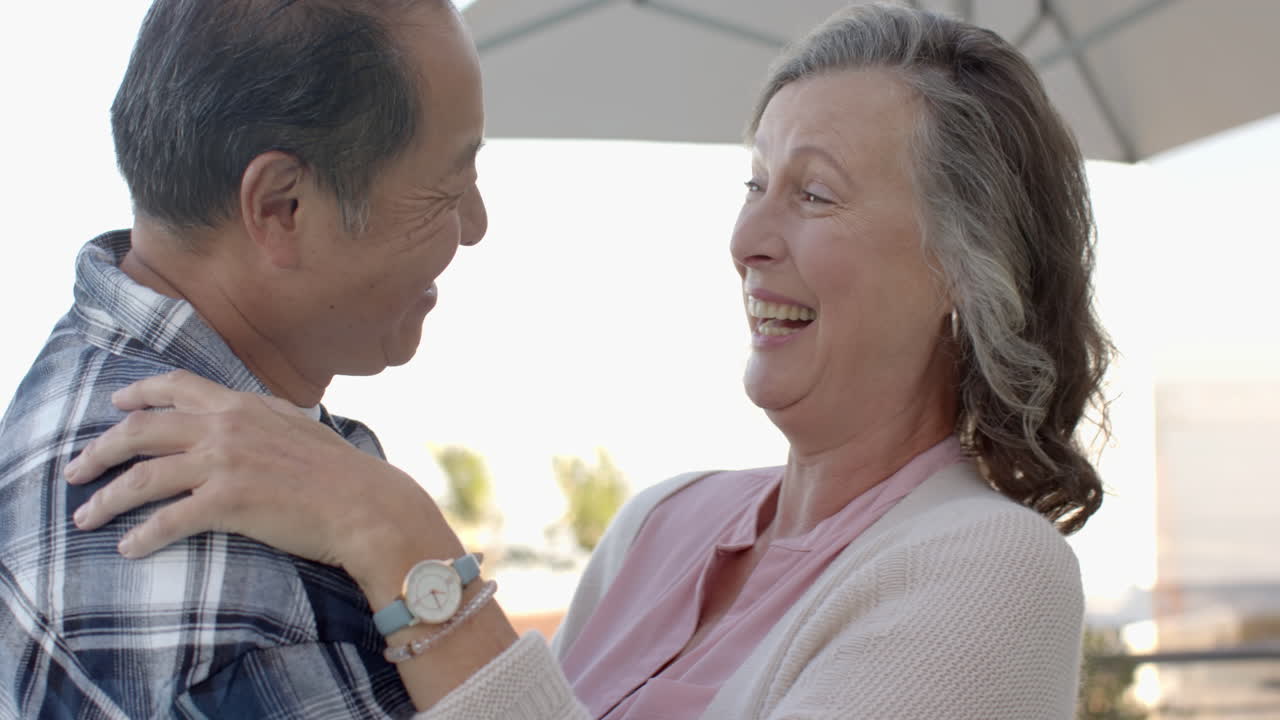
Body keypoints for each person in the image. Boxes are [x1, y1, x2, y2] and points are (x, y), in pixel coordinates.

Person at [65, 3, 1114, 718]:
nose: (747, 239)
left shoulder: (991, 569)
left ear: (961, 269)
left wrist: (391, 532)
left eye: (814, 193)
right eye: (753, 185)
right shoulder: (659, 524)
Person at [0, 0, 486, 716]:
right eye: (448, 188)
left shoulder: (79, 389)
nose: (475, 225)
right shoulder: (221, 575)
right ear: (282, 206)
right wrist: (403, 532)